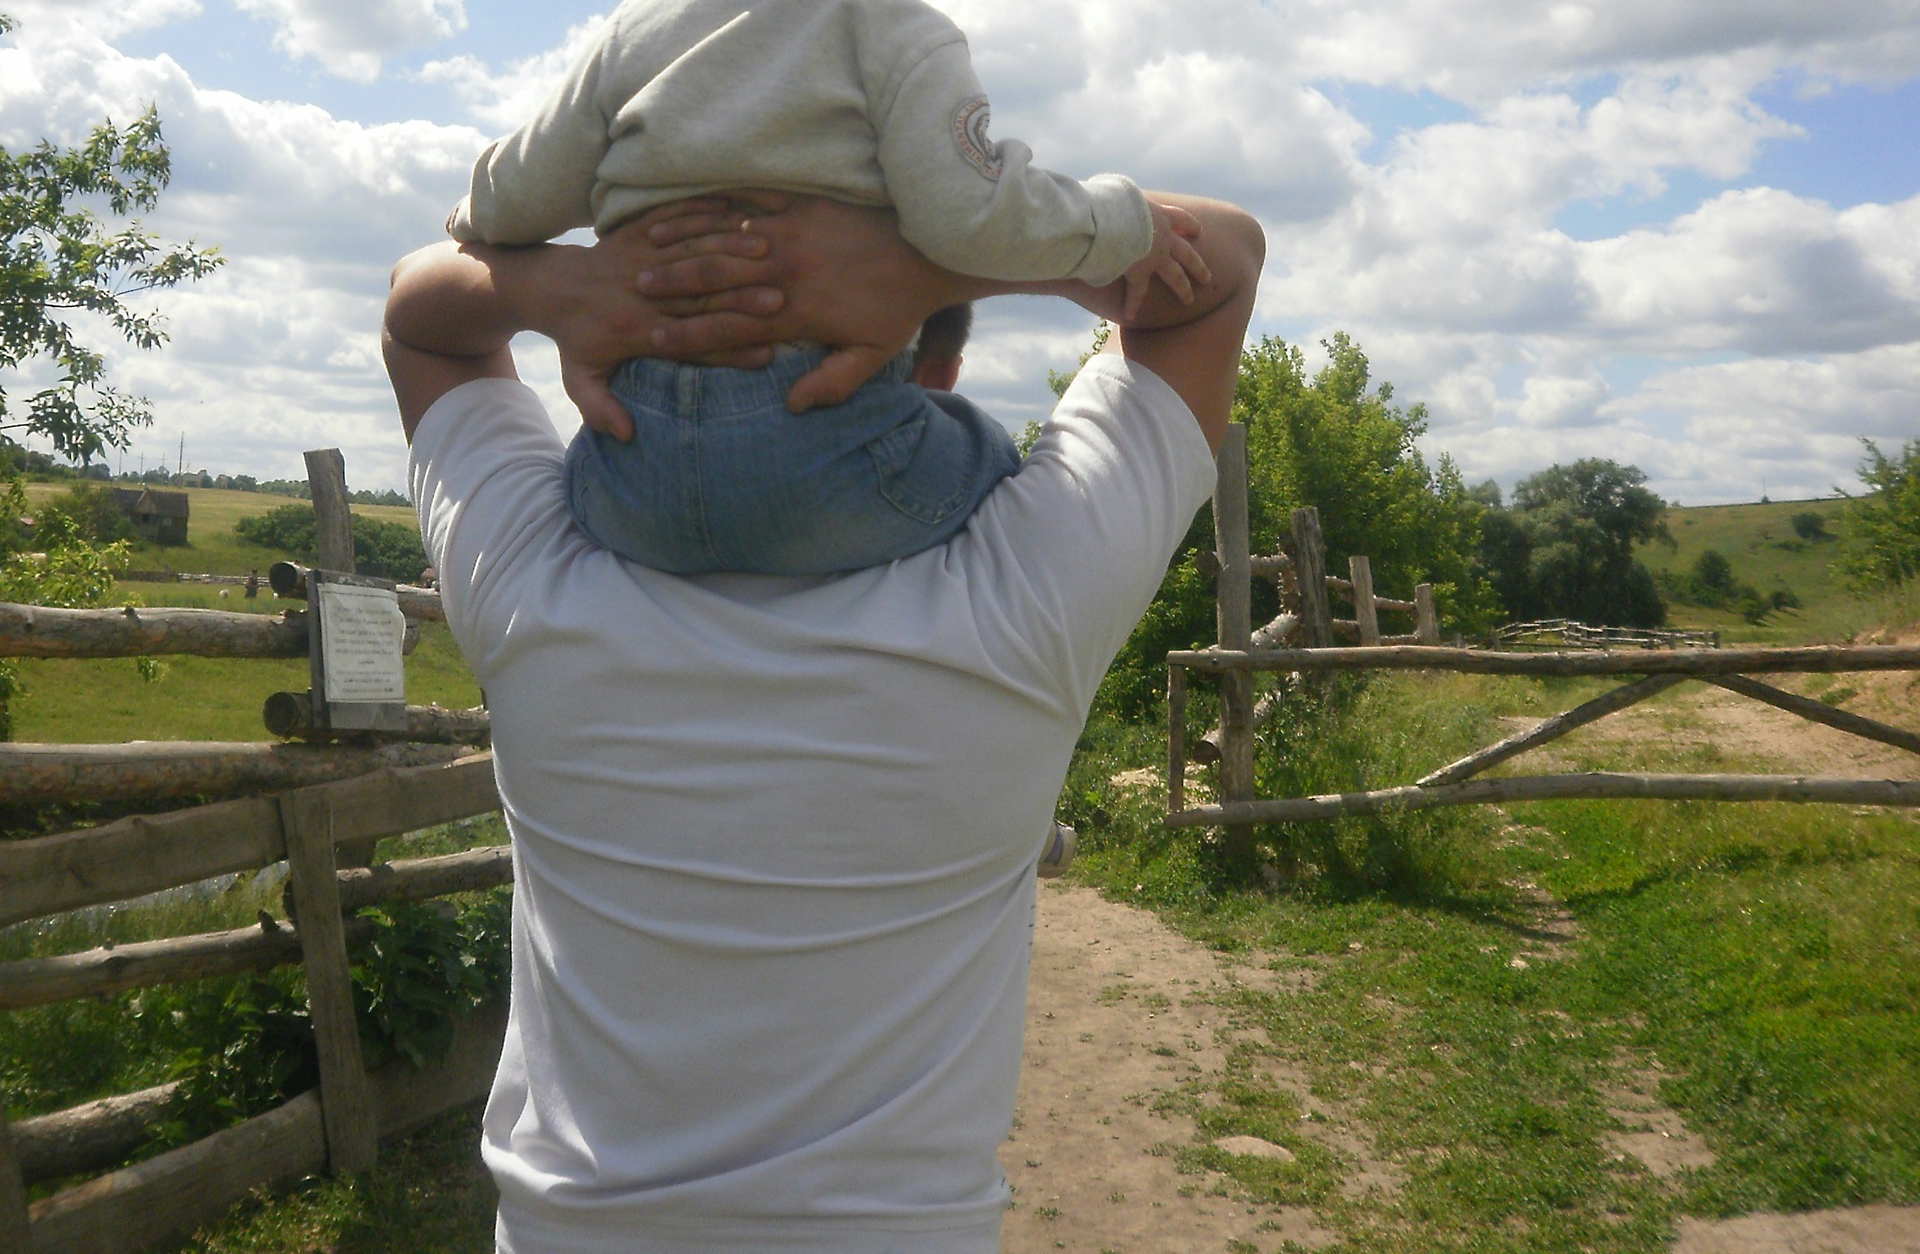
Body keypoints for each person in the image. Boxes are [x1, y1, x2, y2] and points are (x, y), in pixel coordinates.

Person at [382, 188, 1263, 1254]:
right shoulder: (1024, 595)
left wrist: (567, 285)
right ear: (934, 371)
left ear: (632, 362)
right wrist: (929, 262)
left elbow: (419, 319)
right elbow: (1218, 263)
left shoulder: (537, 584)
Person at [443, 0, 1207, 575]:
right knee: (989, 449)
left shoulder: (637, 25)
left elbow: (518, 195)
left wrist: (469, 212)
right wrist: (1122, 221)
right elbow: (973, 219)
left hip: (629, 471)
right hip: (832, 461)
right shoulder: (895, 27)